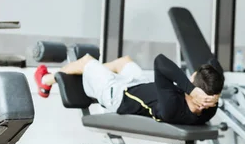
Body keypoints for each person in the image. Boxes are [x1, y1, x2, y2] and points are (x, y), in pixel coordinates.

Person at [34, 53, 224, 125]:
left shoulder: (172, 106)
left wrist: (190, 89)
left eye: (191, 80)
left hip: (117, 94)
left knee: (86, 61)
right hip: (137, 85)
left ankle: (45, 81)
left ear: (195, 92)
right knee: (124, 62)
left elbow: (160, 61)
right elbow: (214, 65)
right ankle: (91, 74)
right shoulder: (210, 108)